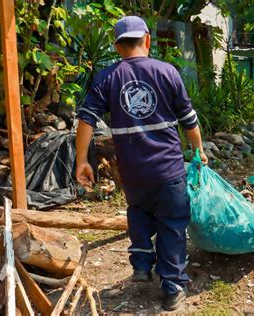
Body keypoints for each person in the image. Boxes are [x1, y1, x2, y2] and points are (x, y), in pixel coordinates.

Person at [75, 16, 207, 311]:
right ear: (147, 39)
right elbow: (189, 119)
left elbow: (86, 119)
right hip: (168, 169)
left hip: (133, 171)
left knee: (138, 212)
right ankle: (172, 287)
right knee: (172, 223)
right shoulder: (167, 72)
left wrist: (82, 160)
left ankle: (142, 265)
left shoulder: (108, 77)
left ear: (117, 46)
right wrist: (198, 149)